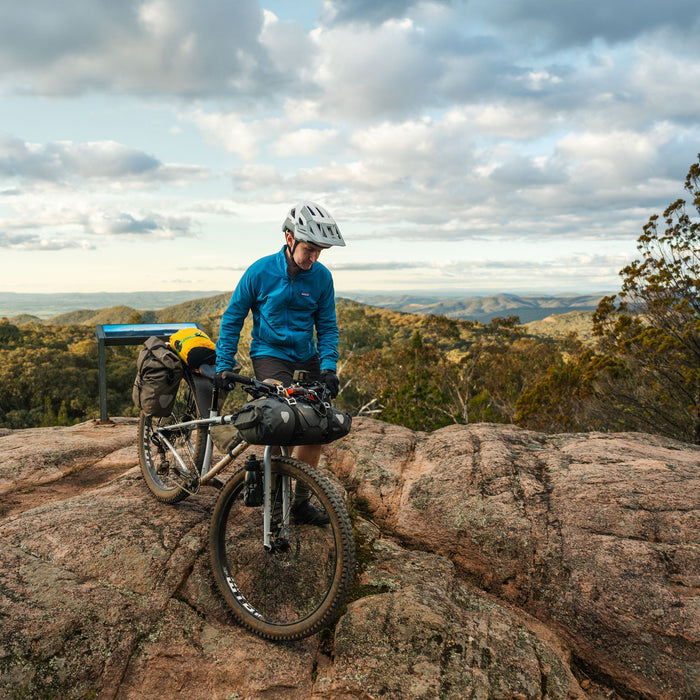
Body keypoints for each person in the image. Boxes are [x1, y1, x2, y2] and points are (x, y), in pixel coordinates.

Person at [215, 201, 346, 525]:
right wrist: (223, 364)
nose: (314, 257)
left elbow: (327, 327)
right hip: (270, 356)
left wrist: (328, 367)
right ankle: (274, 503)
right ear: (289, 238)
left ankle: (299, 502)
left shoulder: (321, 278)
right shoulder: (260, 271)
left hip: (307, 357)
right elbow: (233, 318)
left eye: (319, 251)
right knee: (279, 419)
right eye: (309, 249)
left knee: (316, 426)